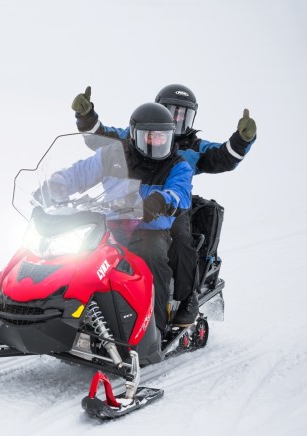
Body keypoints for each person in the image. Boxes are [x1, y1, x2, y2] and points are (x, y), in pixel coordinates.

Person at [70, 84, 257, 327]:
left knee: (180, 241)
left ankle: (187, 299)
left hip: (173, 206)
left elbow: (224, 156)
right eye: (172, 110)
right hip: (130, 204)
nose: (177, 118)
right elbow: (102, 138)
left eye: (183, 114)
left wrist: (242, 140)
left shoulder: (194, 147)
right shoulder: (137, 134)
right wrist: (86, 117)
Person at [42, 103, 192, 335]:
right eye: (149, 137)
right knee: (72, 257)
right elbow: (80, 172)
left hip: (149, 228)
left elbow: (180, 193)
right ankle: (56, 315)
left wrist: (161, 201)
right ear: (135, 135)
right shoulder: (113, 153)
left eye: (163, 137)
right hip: (108, 223)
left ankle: (155, 330)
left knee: (151, 257)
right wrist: (57, 185)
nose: (157, 142)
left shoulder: (178, 165)